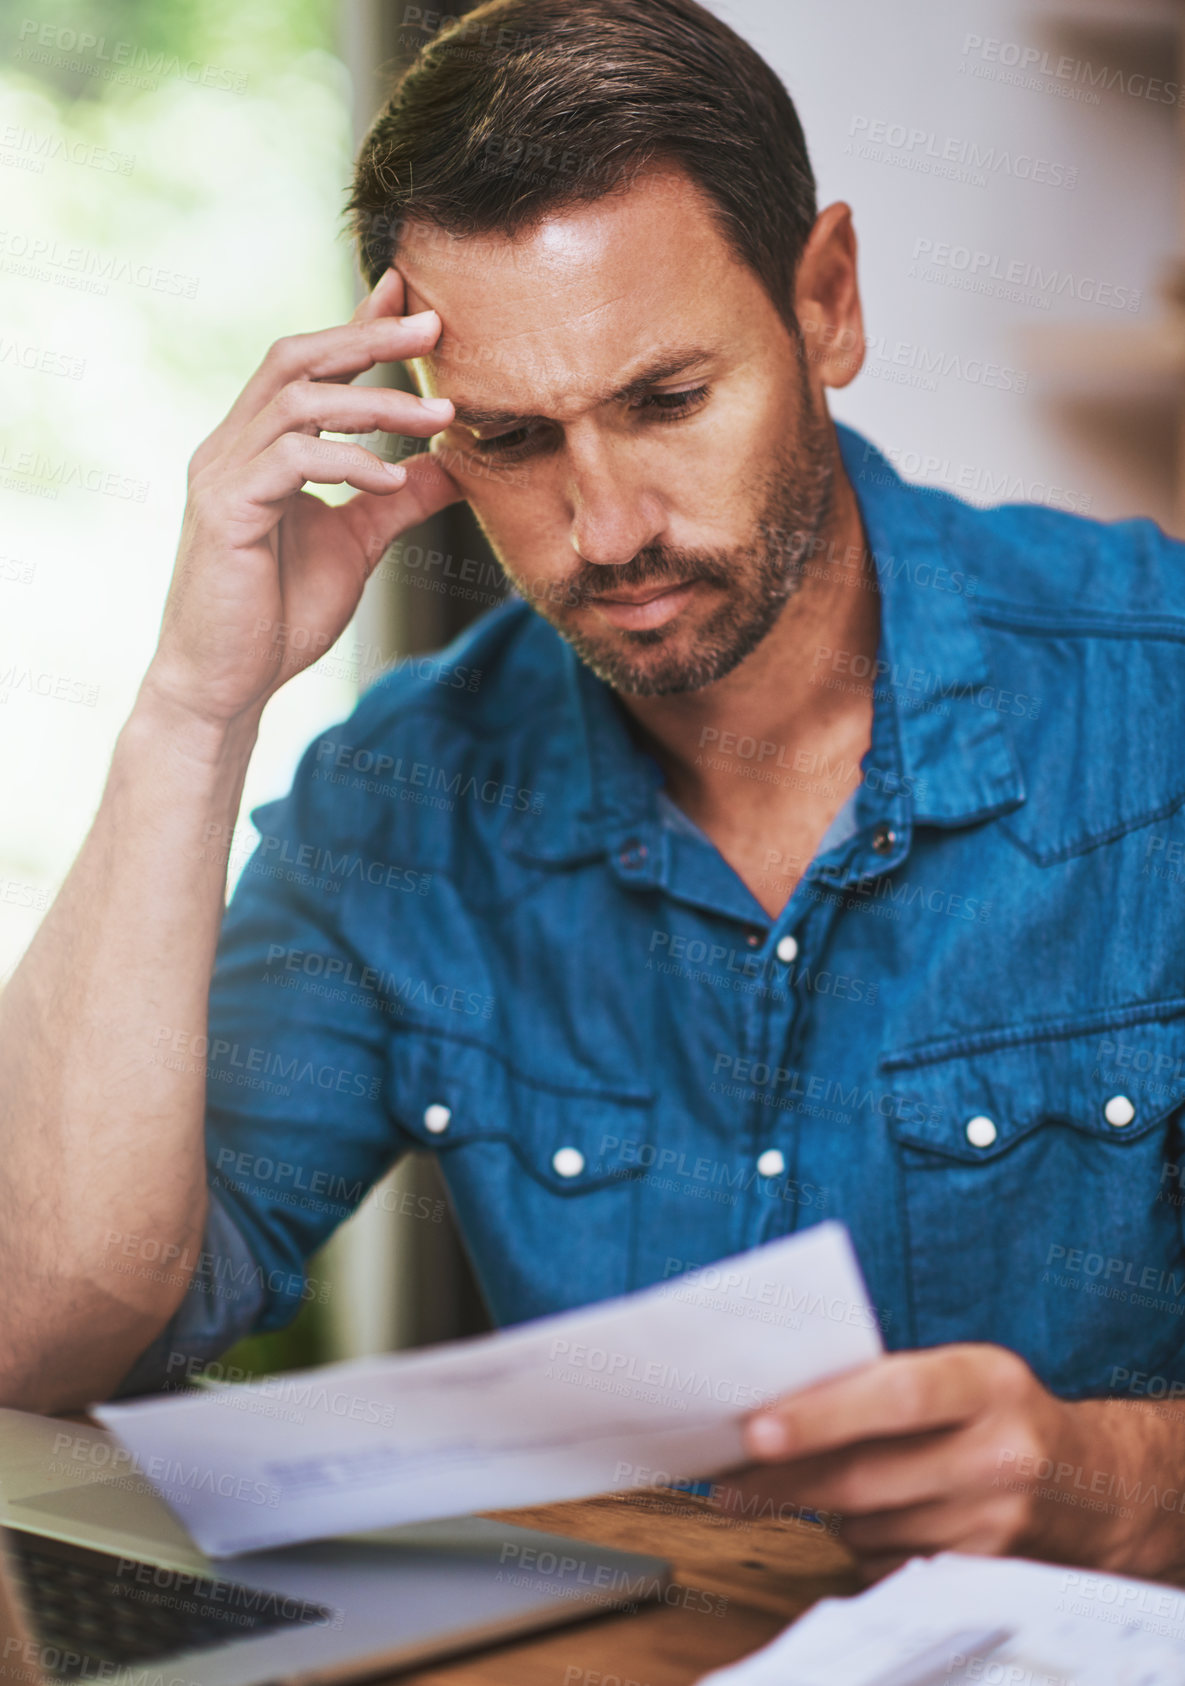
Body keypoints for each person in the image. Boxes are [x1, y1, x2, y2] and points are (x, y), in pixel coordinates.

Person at [3, 0, 1184, 1585]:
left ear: (823, 303)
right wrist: (191, 710)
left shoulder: (1156, 696)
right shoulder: (399, 802)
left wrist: (1111, 1476)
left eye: (665, 400)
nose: (607, 525)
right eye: (510, 439)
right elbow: (37, 1335)